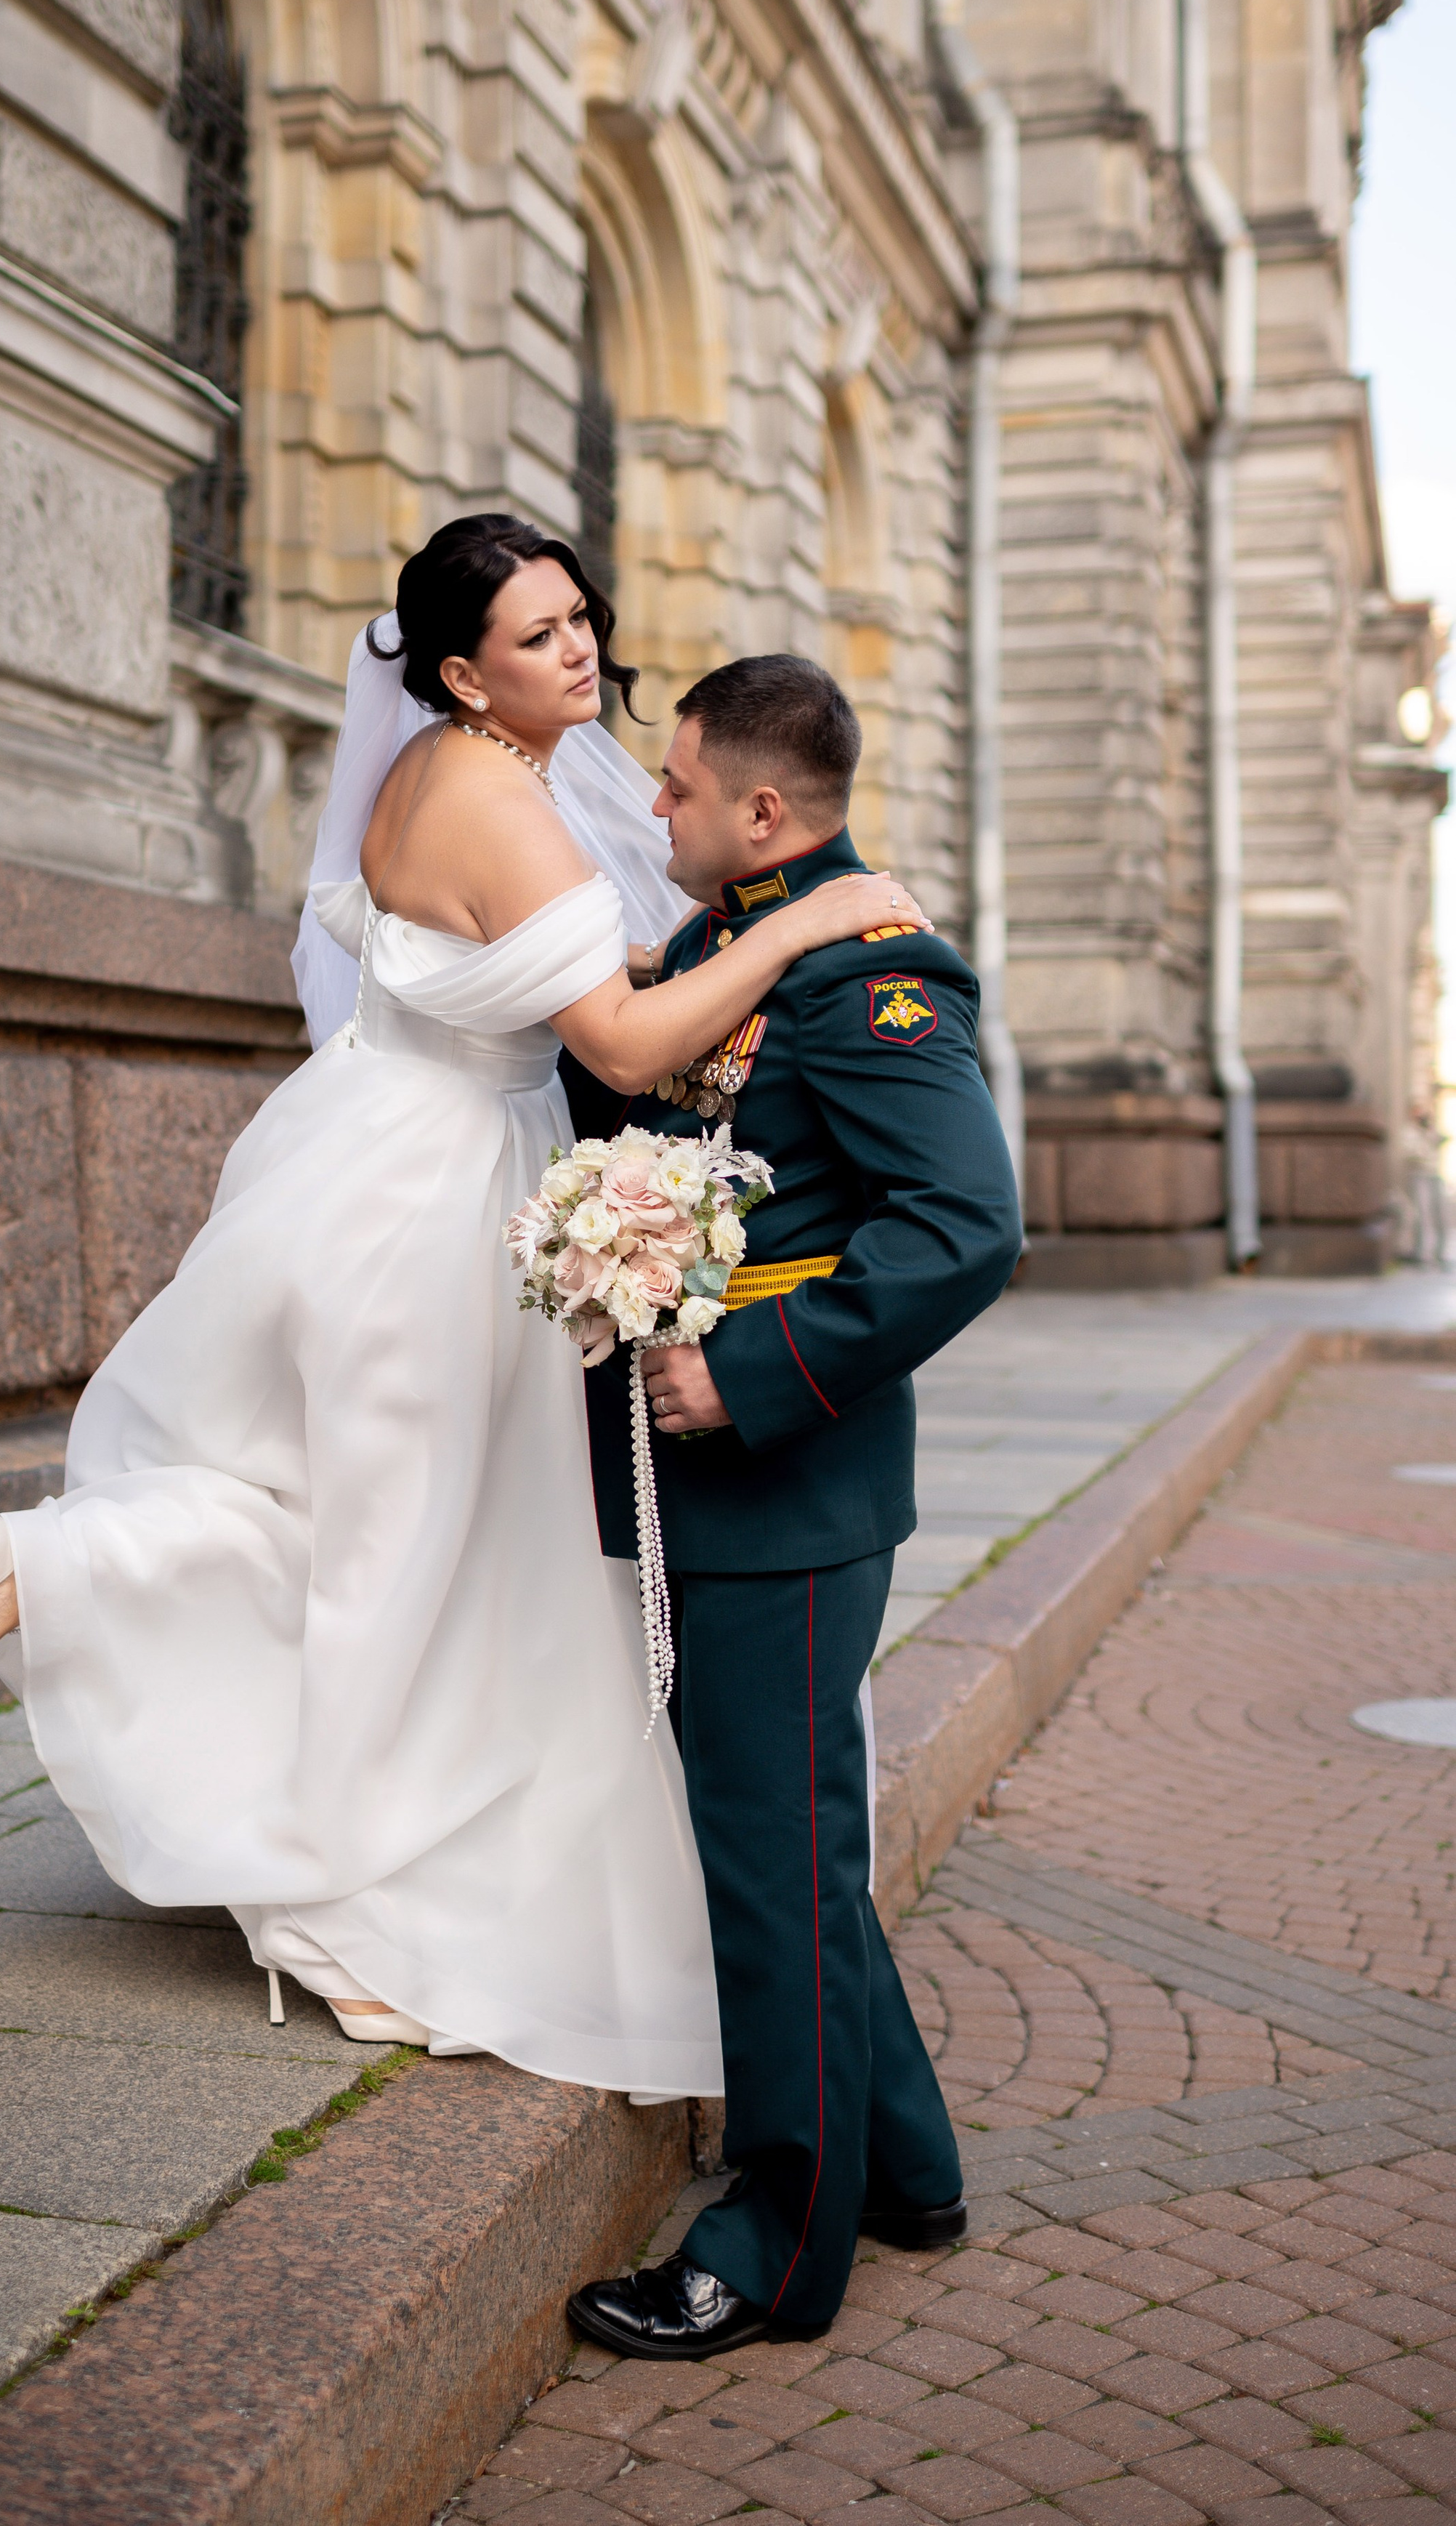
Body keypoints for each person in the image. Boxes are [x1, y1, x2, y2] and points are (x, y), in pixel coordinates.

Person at [0, 525, 931, 2089]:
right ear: (459, 672)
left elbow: (520, 970)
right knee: (393, 1561)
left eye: (580, 617)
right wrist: (796, 924)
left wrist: (674, 952)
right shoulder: (505, 804)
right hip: (434, 1211)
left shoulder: (436, 771)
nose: (577, 650)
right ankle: (340, 1906)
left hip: (366, 1158)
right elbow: (628, 1047)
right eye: (534, 634)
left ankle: (33, 1585)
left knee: (368, 1533)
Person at [565, 653, 1023, 2357]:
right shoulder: (717, 943)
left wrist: (752, 1375)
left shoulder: (872, 970)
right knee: (787, 1856)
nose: (652, 806)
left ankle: (773, 2244)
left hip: (789, 1479)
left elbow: (961, 1221)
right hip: (710, 1480)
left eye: (674, 785)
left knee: (773, 1865)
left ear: (763, 807)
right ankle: (900, 2168)